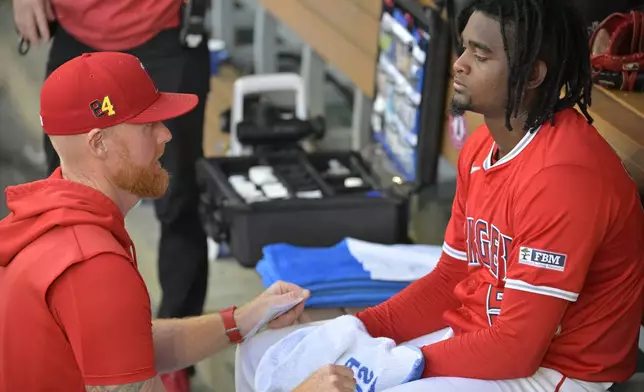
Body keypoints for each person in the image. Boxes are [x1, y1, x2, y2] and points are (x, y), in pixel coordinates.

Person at [235, 0, 644, 391]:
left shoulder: (563, 178)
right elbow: (450, 279)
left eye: (481, 56)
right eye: (464, 46)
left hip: (555, 372)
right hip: (479, 335)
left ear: (532, 75)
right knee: (263, 351)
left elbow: (517, 349)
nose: (459, 64)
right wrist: (362, 328)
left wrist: (399, 364)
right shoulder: (482, 147)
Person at [0, 52, 357, 392]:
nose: (166, 134)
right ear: (99, 143)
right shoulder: (93, 266)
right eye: (147, 125)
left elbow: (125, 343)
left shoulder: (51, 211)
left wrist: (243, 320)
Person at [12, 0, 209, 387]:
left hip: (161, 28)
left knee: (177, 197)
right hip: (76, 26)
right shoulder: (100, 270)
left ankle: (175, 371)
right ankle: (77, 347)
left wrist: (240, 321)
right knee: (69, 191)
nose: (164, 132)